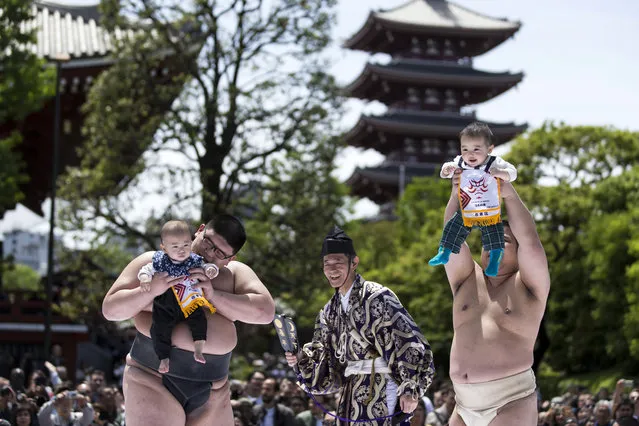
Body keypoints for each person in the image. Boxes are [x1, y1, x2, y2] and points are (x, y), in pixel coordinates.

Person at [102, 214, 276, 426]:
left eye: (219, 253)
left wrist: (213, 296)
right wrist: (150, 292)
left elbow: (265, 313)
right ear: (199, 230)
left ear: (231, 259)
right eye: (208, 242)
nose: (209, 253)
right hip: (151, 377)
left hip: (214, 388)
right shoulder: (154, 261)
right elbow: (111, 310)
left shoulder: (235, 274)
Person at [285, 226, 435, 426]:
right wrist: (300, 358)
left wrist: (410, 388)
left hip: (384, 384)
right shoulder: (328, 311)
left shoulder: (378, 296)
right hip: (350, 390)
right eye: (326, 263)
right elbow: (326, 361)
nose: (332, 269)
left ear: (354, 262)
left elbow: (408, 341)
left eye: (338, 262)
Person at [441, 165, 550, 425]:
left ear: (519, 251)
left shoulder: (530, 287)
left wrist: (508, 194)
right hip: (463, 403)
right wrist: (457, 192)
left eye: (504, 242)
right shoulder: (466, 278)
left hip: (511, 400)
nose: (494, 247)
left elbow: (532, 242)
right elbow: (450, 239)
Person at [428, 122, 517, 277]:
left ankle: (495, 259)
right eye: (465, 149)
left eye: (476, 149)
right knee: (453, 227)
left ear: (489, 149)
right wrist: (446, 170)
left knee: (493, 234)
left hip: (488, 207)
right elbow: (446, 170)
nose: (470, 154)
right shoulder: (460, 162)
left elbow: (513, 172)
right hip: (468, 207)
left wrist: (501, 173)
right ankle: (444, 252)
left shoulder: (494, 162)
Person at [137, 220, 219, 373]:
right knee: (158, 328)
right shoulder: (160, 260)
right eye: (175, 247)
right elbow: (146, 269)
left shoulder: (193, 260)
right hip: (165, 302)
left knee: (200, 320)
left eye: (185, 245)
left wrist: (211, 270)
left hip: (189, 301)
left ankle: (198, 349)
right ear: (164, 248)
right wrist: (144, 278)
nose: (181, 250)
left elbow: (206, 266)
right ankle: (163, 357)